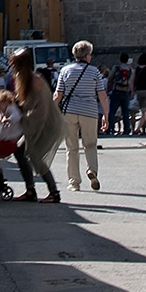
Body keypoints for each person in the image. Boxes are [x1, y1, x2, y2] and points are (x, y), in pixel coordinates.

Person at [8, 47, 61, 204]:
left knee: (35, 156)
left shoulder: (35, 81)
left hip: (45, 123)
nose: (12, 67)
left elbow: (42, 109)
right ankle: (30, 190)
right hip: (35, 122)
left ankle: (54, 192)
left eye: (14, 64)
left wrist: (27, 122)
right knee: (20, 152)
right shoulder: (23, 79)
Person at [55, 41, 108, 191]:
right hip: (89, 112)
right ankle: (92, 170)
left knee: (71, 148)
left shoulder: (65, 71)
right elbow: (102, 95)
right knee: (90, 145)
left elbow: (58, 94)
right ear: (87, 55)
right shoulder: (94, 72)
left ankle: (74, 182)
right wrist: (106, 115)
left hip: (69, 112)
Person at [0, 87, 36, 195]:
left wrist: (7, 119)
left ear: (6, 102)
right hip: (7, 139)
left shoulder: (11, 109)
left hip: (12, 140)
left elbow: (16, 116)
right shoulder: (2, 111)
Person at [105, 53, 133, 137]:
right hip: (126, 92)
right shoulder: (129, 69)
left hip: (116, 91)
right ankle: (126, 130)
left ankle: (109, 129)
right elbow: (131, 80)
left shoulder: (116, 68)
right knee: (125, 113)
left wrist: (109, 88)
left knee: (112, 111)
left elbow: (110, 79)